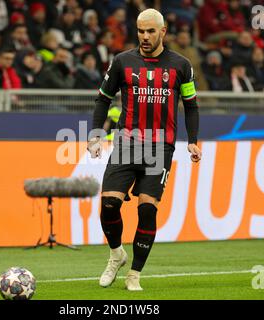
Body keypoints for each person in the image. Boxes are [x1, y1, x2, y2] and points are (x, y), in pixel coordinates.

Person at [87, 8, 201, 291]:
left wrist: (193, 140)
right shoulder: (122, 61)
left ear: (163, 31)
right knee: (109, 204)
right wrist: (95, 134)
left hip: (161, 146)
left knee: (147, 210)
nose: (145, 36)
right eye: (140, 31)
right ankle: (116, 255)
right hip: (127, 143)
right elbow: (103, 99)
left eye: (151, 31)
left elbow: (191, 105)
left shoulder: (181, 65)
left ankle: (134, 274)